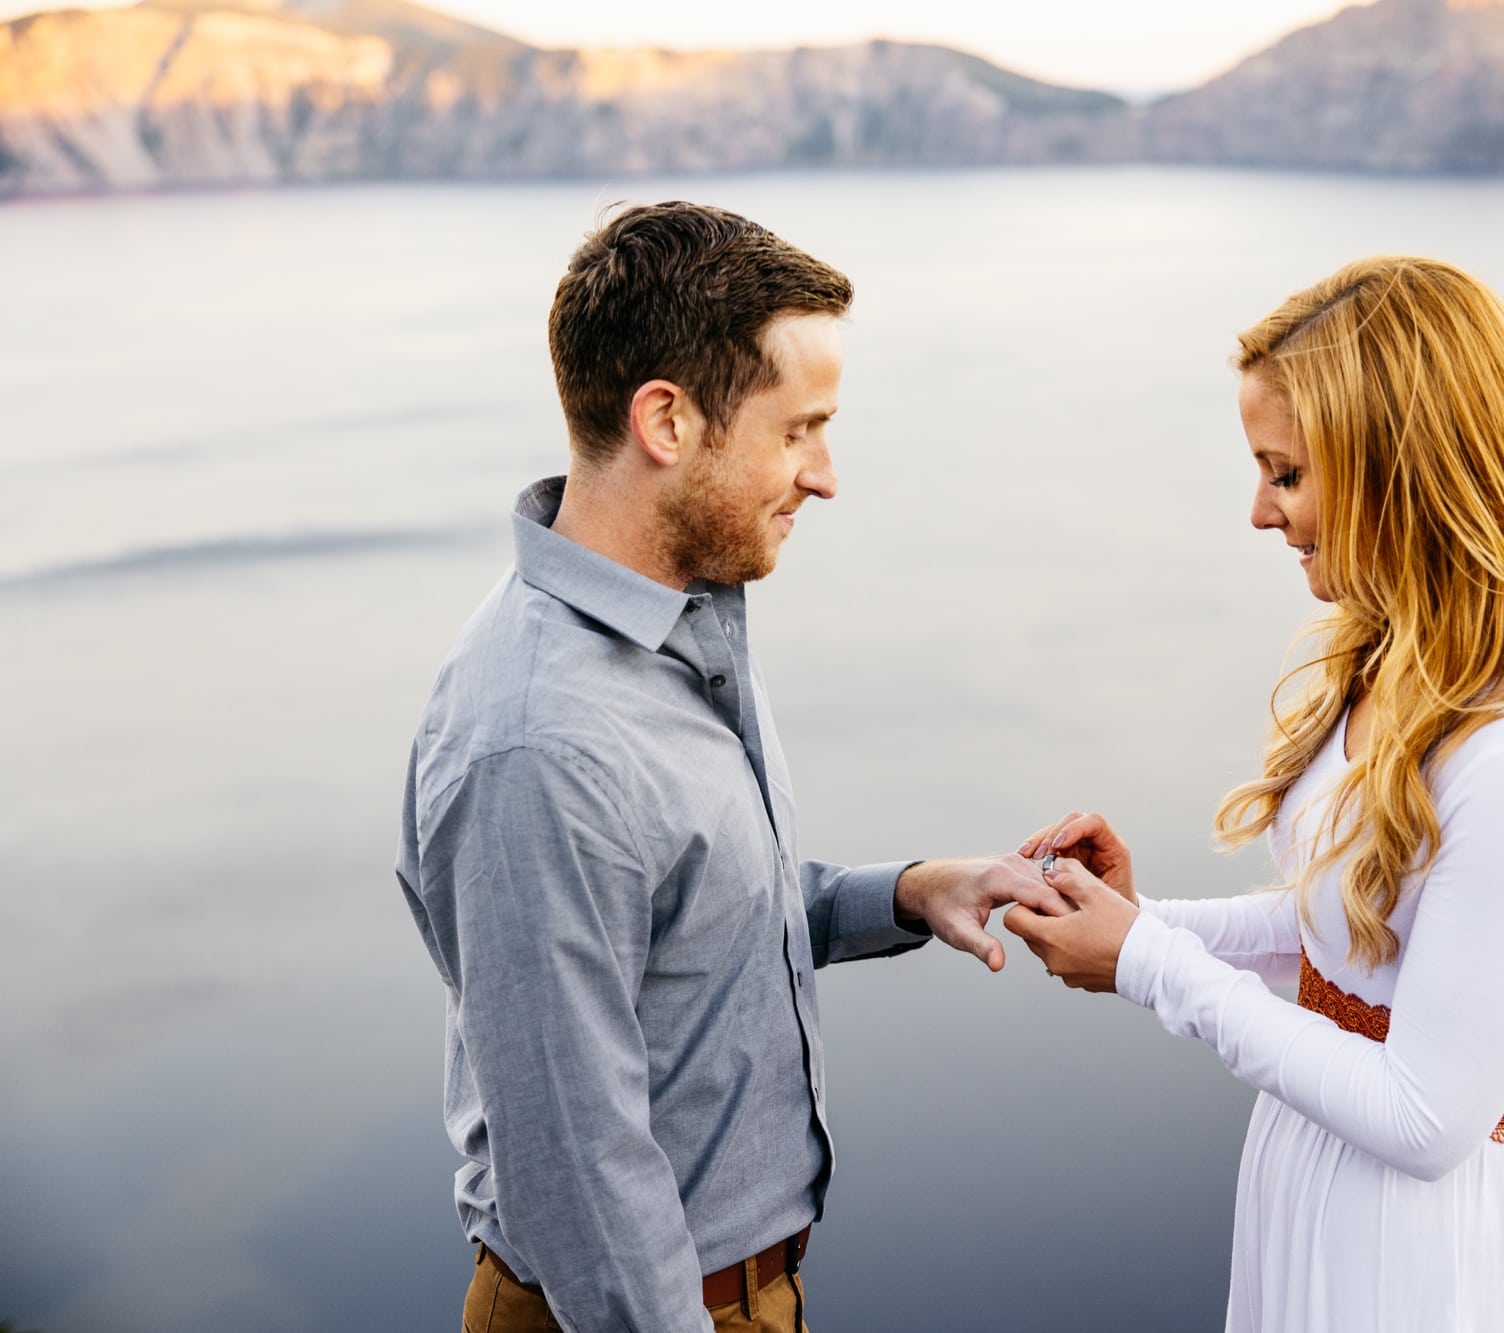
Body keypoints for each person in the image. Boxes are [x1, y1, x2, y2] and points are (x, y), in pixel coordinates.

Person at [395, 201, 1065, 1333]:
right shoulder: (543, 745)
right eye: (798, 428)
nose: (825, 475)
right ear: (667, 420)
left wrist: (905, 892)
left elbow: (686, 914)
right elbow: (579, 1179)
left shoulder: (677, 621)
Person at [1006, 256, 1504, 1333]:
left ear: (1395, 471)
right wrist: (1137, 923)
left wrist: (1147, 965)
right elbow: (1354, 927)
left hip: (1431, 1250)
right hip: (1319, 1182)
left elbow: (1424, 1118)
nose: (1260, 513)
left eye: (1284, 474)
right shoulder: (1396, 665)